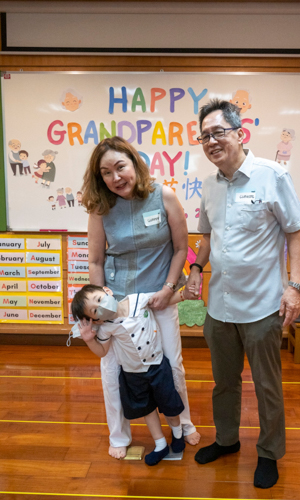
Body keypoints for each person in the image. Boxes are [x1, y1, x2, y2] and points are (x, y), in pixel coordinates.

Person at [185, 99, 300, 489]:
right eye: (205, 136)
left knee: (266, 385)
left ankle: (270, 452)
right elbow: (206, 238)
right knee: (224, 381)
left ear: (241, 134)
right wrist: (196, 269)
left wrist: (294, 287)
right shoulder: (209, 185)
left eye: (219, 132)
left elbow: (295, 232)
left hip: (262, 307)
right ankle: (227, 439)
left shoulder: (272, 175)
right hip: (219, 306)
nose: (211, 141)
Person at [81, 136, 200, 460]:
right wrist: (102, 303)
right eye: (106, 172)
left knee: (172, 365)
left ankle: (183, 424)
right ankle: (118, 434)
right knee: (112, 370)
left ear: (134, 163)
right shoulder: (100, 208)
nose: (116, 177)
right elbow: (95, 261)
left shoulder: (164, 195)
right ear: (100, 178)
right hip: (118, 305)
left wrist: (168, 289)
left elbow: (179, 248)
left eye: (120, 166)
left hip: (158, 299)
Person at [71, 284, 192, 465]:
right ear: (95, 320)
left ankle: (177, 435)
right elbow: (103, 351)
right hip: (133, 374)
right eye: (95, 310)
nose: (101, 307)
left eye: (98, 299)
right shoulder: (106, 328)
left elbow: (163, 301)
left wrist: (184, 294)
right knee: (147, 409)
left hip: (158, 366)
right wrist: (89, 340)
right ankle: (160, 444)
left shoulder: (138, 300)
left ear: (107, 291)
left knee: (170, 404)